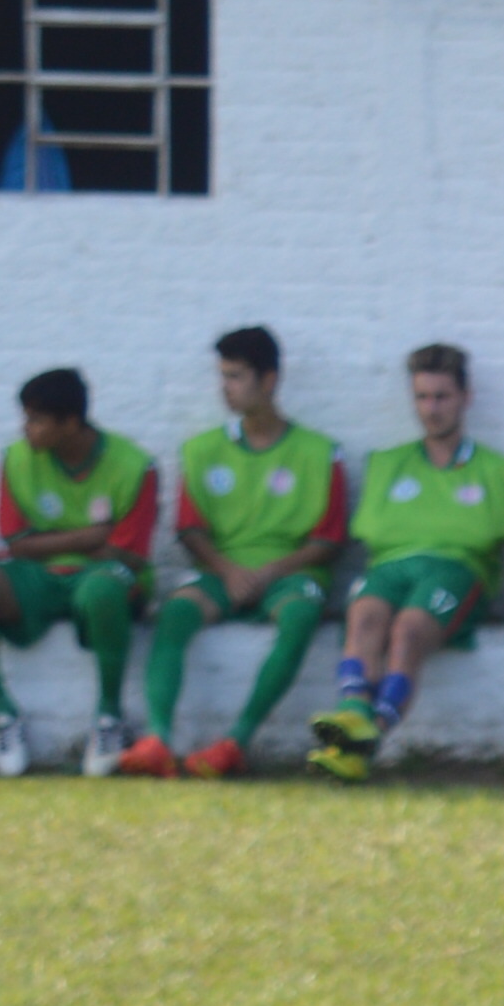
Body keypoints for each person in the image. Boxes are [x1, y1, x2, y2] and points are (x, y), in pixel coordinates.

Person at [122, 325, 347, 777]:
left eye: (236, 377)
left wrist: (268, 572)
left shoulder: (321, 453)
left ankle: (235, 742)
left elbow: (329, 540)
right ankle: (158, 740)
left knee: (301, 615)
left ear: (269, 380)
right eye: (222, 376)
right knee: (175, 614)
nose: (225, 388)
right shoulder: (203, 450)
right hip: (222, 572)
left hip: (286, 574)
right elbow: (188, 529)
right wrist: (227, 570)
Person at [310, 343, 504, 779]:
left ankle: (369, 737)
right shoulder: (388, 463)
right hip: (392, 566)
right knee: (365, 614)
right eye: (422, 397)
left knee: (408, 629)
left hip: (458, 570)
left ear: (465, 398)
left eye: (442, 397)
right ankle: (353, 716)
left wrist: (433, 531)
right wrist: (448, 524)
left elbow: (486, 535)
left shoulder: (498, 469)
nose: (431, 409)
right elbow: (374, 531)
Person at [0, 367, 157, 776]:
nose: (26, 430)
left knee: (103, 590)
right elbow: (15, 542)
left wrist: (57, 543)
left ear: (71, 423)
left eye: (37, 420)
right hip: (38, 576)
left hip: (106, 573)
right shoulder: (16, 458)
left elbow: (129, 552)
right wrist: (89, 536)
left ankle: (110, 719)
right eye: (26, 418)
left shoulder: (134, 465)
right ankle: (2, 716)